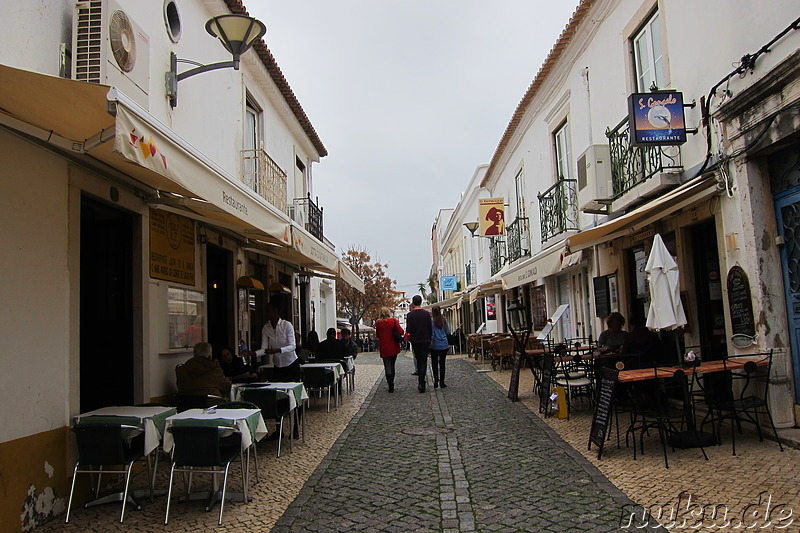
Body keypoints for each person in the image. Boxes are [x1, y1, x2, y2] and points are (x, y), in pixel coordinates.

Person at [256, 301, 300, 382]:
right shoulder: (266, 328)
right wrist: (254, 353)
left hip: (291, 363)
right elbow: (264, 348)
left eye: (268, 311)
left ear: (275, 311)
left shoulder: (286, 325)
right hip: (278, 365)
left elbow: (293, 346)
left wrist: (278, 350)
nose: (266, 313)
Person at [406, 295, 433, 393]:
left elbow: (408, 329)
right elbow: (430, 328)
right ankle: (421, 381)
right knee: (423, 361)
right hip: (425, 340)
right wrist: (430, 339)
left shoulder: (410, 315)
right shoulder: (426, 314)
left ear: (413, 302)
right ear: (421, 302)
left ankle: (421, 381)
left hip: (415, 340)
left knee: (418, 359)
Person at [375, 307, 404, 393]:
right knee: (392, 365)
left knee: (387, 366)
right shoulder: (393, 321)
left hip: (384, 347)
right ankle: (392, 382)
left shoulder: (378, 323)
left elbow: (377, 335)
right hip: (393, 346)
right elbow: (401, 331)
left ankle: (390, 384)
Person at [429, 305, 450, 388]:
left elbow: (432, 333)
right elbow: (448, 332)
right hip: (444, 344)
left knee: (434, 363)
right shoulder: (444, 320)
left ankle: (436, 378)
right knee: (442, 363)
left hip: (434, 345)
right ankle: (442, 381)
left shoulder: (431, 321)